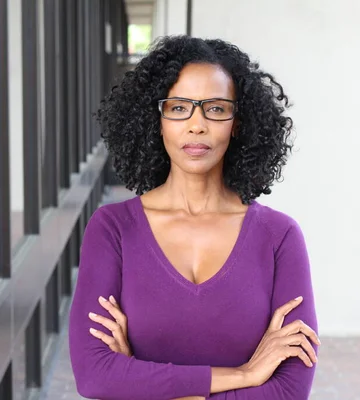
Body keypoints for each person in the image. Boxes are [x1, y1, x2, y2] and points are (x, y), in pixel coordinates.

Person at [68, 35, 319, 400]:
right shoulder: (113, 230)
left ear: (237, 122)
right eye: (179, 107)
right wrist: (244, 375)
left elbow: (289, 391)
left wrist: (139, 380)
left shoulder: (279, 237)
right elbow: (94, 376)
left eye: (215, 109)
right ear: (157, 119)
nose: (196, 125)